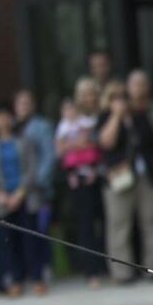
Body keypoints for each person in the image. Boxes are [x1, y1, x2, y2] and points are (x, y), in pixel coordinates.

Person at [96, 80, 153, 283]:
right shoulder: (104, 118)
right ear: (108, 101)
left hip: (145, 176)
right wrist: (116, 117)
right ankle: (122, 273)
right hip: (119, 179)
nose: (121, 101)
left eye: (123, 97)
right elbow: (106, 142)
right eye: (115, 98)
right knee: (120, 226)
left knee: (151, 223)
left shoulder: (140, 117)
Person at [56, 78, 107, 287]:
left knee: (105, 224)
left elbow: (96, 142)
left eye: (92, 92)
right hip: (79, 177)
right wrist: (79, 143)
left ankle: (106, 267)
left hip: (100, 174)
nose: (89, 97)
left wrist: (77, 144)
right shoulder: (66, 125)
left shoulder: (96, 118)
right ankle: (91, 271)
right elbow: (60, 148)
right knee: (86, 225)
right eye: (84, 93)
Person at [0, 101, 48, 297]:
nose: (2, 120)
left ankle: (37, 278)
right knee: (7, 243)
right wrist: (1, 195)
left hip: (24, 197)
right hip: (2, 201)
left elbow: (31, 169)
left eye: (5, 116)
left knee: (30, 240)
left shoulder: (23, 140)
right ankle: (15, 280)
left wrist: (19, 193)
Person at [13, 89, 56, 291]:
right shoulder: (9, 127)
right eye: (21, 103)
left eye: (28, 103)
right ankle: (22, 275)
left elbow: (49, 156)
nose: (24, 107)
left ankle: (43, 270)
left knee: (39, 232)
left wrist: (34, 182)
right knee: (19, 236)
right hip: (15, 192)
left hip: (37, 190)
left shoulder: (42, 126)